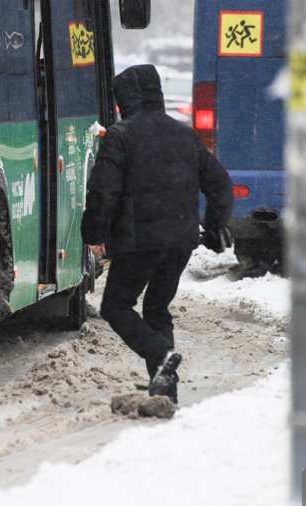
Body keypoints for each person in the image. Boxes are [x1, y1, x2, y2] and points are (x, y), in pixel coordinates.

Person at [81, 65, 234, 403]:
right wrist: (215, 224)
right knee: (157, 309)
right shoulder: (184, 134)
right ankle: (165, 388)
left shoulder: (120, 136)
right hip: (180, 240)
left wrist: (94, 233)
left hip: (138, 241)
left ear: (126, 99)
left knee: (116, 305)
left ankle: (160, 352)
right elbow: (220, 183)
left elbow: (102, 191)